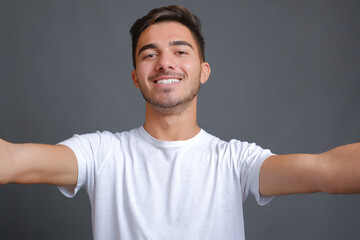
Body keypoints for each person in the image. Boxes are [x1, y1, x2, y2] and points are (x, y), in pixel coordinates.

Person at [0, 5, 359, 240]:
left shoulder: (234, 161)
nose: (164, 63)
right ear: (135, 77)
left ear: (203, 71)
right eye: (149, 54)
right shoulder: (101, 154)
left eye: (180, 50)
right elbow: (13, 162)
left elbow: (325, 171)